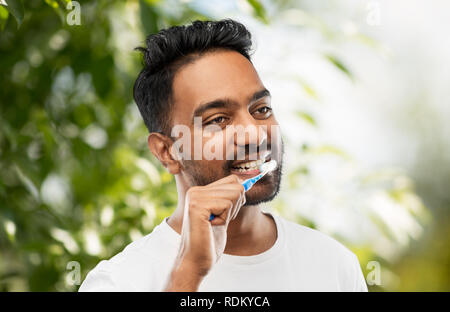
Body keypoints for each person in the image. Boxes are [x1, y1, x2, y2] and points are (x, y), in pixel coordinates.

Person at [79, 19, 368, 292]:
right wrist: (187, 275)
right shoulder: (119, 282)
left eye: (262, 110)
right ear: (167, 152)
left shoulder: (335, 267)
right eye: (218, 120)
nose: (254, 135)